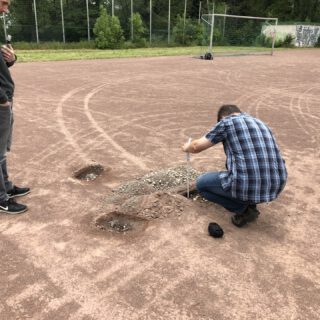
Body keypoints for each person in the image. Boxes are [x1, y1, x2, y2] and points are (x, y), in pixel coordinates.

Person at [182, 105, 287, 227]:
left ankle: (243, 209)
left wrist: (186, 147)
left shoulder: (227, 122)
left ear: (222, 118)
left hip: (247, 184)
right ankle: (248, 199)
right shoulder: (261, 123)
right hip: (277, 184)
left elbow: (195, 147)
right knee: (240, 170)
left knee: (201, 185)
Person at [0, 0, 30, 214]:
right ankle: (1, 198)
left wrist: (11, 60)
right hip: (1, 100)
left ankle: (6, 188)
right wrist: (2, 98)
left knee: (1, 151)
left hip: (5, 99)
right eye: (3, 3)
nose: (6, 9)